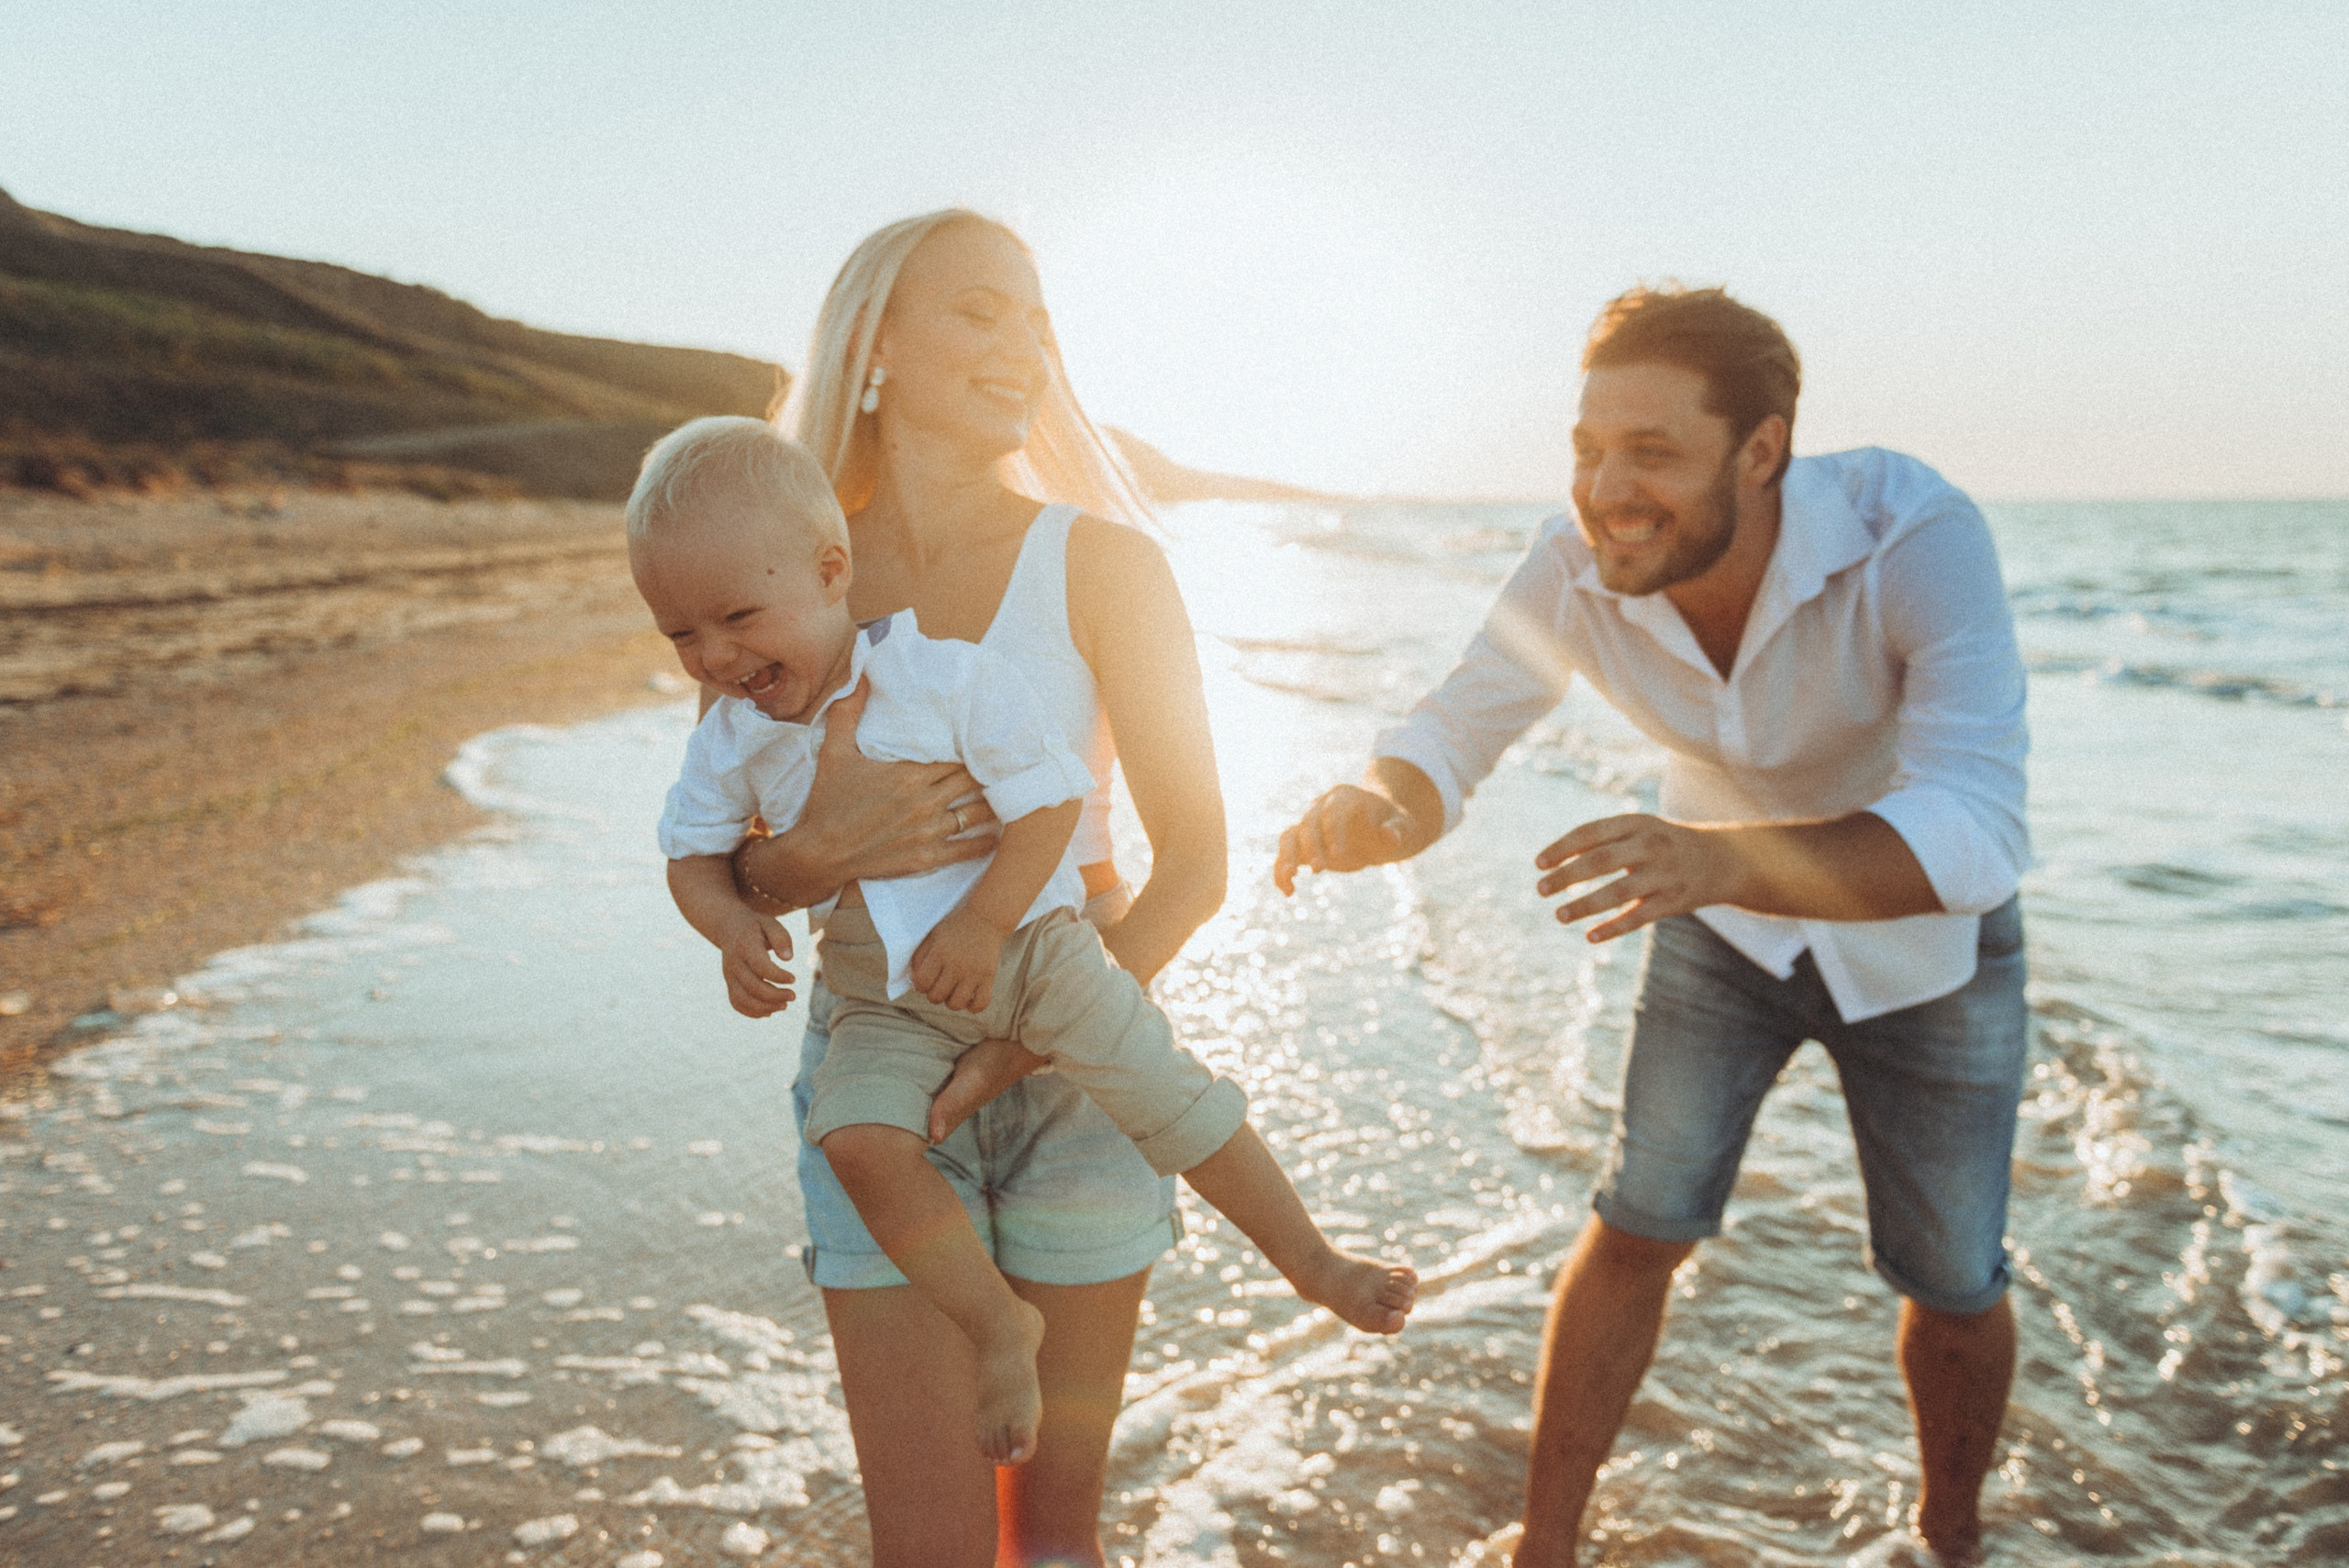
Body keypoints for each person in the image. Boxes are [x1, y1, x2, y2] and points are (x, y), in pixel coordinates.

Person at [1273, 284, 2030, 1567]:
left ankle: (1951, 1540)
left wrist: (1712, 860)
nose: (1607, 488)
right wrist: (1381, 807)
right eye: (1587, 449)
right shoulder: (1576, 562)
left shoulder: (1916, 534)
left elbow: (1977, 826)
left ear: (1764, 448)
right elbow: (1461, 723)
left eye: (1654, 452)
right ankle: (1546, 1544)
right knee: (1638, 1224)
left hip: (1918, 945)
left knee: (1952, 1281)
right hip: (1715, 924)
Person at [633, 418, 1414, 1467]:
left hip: (1034, 953)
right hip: (881, 998)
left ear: (831, 575)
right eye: (680, 636)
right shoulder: (734, 730)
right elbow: (694, 857)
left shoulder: (944, 675)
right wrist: (734, 924)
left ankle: (1312, 1258)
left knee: (1167, 1090)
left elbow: (1052, 799)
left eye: (734, 618)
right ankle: (998, 1322)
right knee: (857, 1137)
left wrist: (982, 920)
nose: (715, 656)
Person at [696, 209, 1263, 1566]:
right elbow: (727, 852)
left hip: (1078, 1077)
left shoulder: (1110, 566)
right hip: (885, 1093)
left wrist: (1031, 1043)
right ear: (877, 341)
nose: (1025, 347)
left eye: (1038, 318)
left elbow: (1195, 859)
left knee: (1054, 1539)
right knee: (932, 1549)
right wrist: (818, 856)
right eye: (981, 312)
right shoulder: (788, 575)